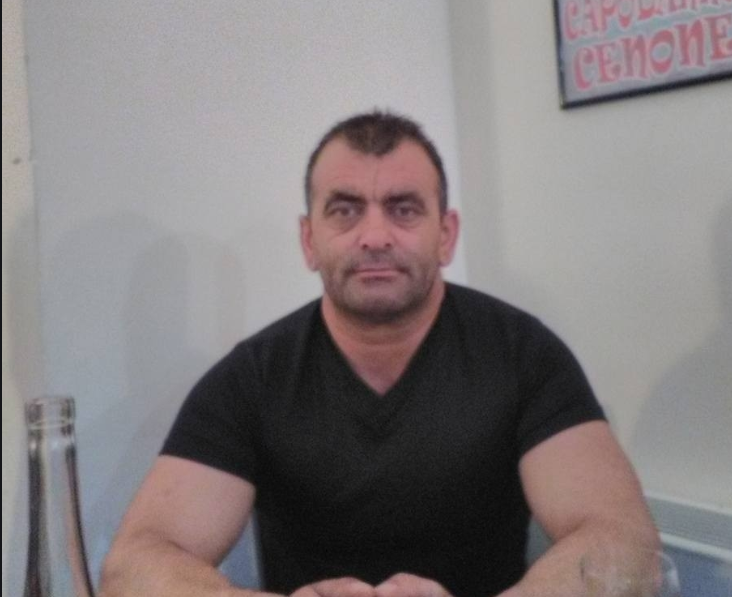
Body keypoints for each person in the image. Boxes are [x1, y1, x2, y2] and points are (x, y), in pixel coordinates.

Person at [99, 111, 659, 597]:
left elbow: (625, 545)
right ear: (309, 240)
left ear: (446, 234)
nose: (374, 236)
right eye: (345, 211)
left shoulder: (523, 355)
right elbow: (132, 568)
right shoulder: (254, 378)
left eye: (403, 209)